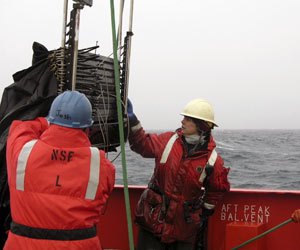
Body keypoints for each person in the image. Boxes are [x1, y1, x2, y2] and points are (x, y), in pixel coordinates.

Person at [4, 90, 115, 250]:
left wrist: (44, 123)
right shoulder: (102, 166)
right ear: (87, 128)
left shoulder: (22, 152)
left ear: (51, 121)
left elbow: (19, 128)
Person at [127, 98, 230, 250]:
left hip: (183, 231)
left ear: (201, 125)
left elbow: (216, 189)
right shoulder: (167, 141)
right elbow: (142, 144)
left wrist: (203, 213)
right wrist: (132, 120)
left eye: (188, 119)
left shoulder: (213, 161)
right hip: (152, 224)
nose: (182, 121)